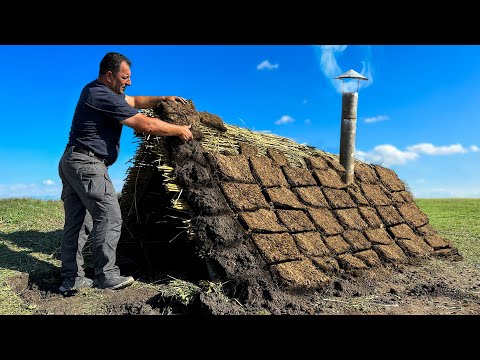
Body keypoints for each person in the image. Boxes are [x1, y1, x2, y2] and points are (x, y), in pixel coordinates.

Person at [58, 52, 193, 293]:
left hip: (73, 160)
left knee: (78, 224)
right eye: (125, 77)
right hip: (87, 164)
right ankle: (106, 275)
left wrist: (162, 99)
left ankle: (71, 279)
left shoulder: (103, 92)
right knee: (109, 216)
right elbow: (145, 124)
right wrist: (178, 130)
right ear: (109, 76)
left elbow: (135, 100)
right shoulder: (100, 95)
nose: (129, 82)